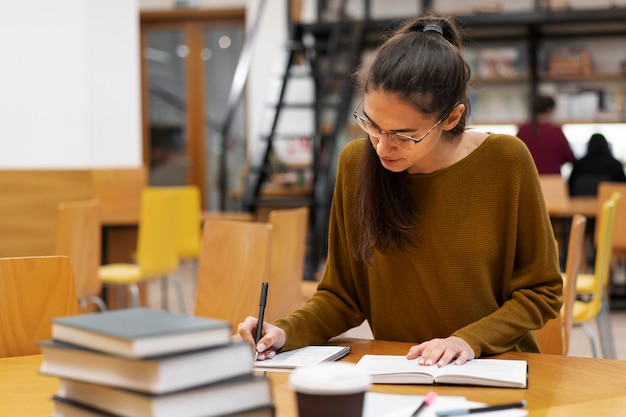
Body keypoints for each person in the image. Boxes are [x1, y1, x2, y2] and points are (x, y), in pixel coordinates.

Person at [238, 15, 562, 367]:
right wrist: (284, 331)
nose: (382, 148)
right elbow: (343, 296)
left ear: (452, 118)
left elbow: (542, 291)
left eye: (404, 135)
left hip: (492, 368)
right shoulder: (355, 164)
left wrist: (468, 341)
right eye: (372, 125)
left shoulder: (506, 161)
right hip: (402, 371)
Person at [516, 94, 576, 175]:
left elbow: (515, 157)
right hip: (552, 181)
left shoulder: (523, 131)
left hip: (529, 182)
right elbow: (569, 157)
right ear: (549, 110)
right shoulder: (555, 131)